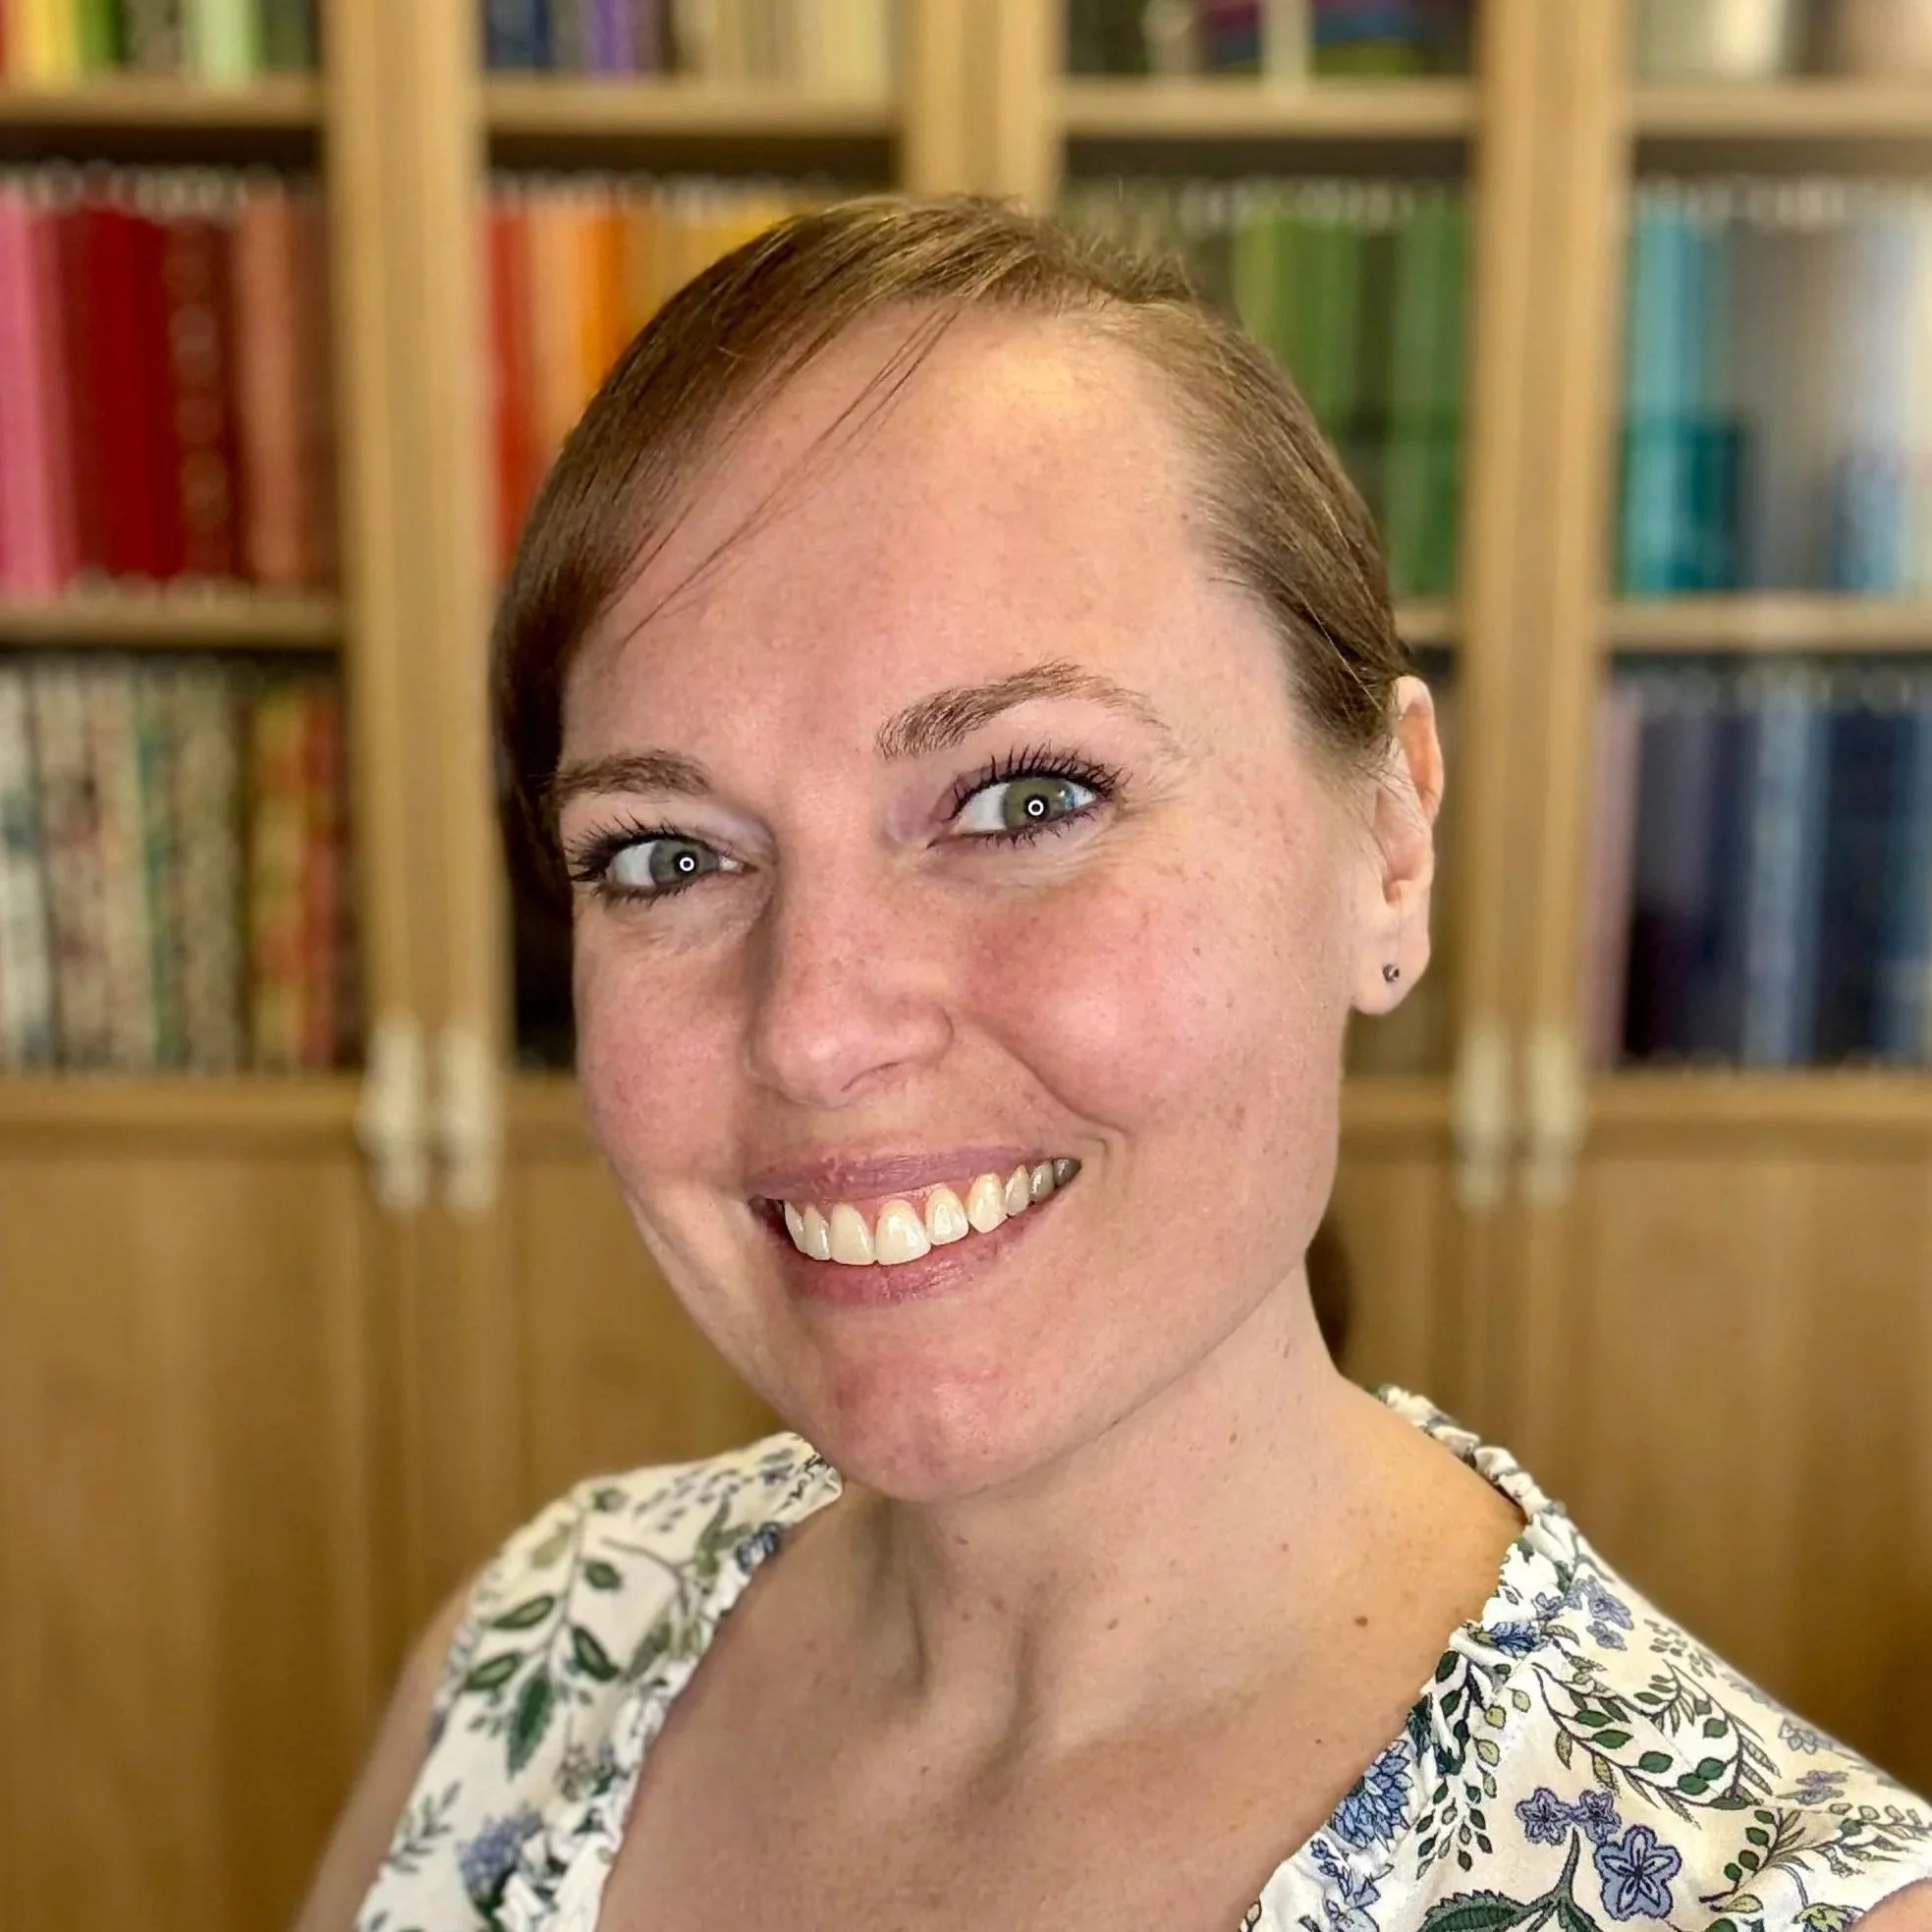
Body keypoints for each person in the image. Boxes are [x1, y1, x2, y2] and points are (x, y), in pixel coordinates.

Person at [298, 196, 1932, 1932]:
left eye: (1027, 797)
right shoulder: (527, 1660)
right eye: (666, 854)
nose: (818, 1029)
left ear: (1388, 840)